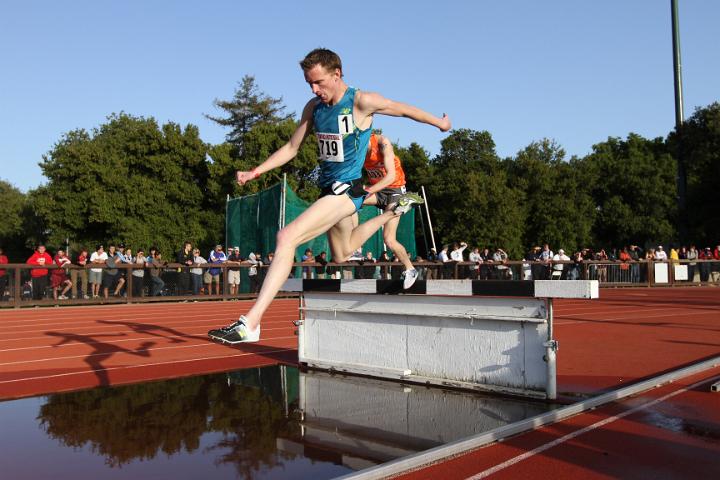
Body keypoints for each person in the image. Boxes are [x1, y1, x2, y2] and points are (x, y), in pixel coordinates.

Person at [209, 48, 450, 344]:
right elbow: (291, 147)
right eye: (309, 84)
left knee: (287, 237)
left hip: (346, 192)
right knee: (342, 253)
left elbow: (403, 109)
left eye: (319, 82)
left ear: (337, 75)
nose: (314, 89)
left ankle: (252, 323)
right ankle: (389, 211)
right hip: (329, 192)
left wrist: (439, 123)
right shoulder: (314, 108)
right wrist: (254, 172)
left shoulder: (361, 101)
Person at [356, 131, 423, 288]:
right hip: (379, 190)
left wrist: (367, 191)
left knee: (389, 239)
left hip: (394, 190)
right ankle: (354, 247)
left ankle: (410, 269)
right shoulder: (355, 150)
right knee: (348, 201)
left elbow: (390, 177)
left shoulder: (383, 143)